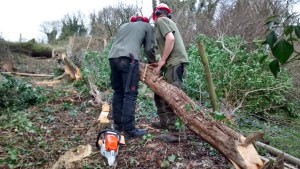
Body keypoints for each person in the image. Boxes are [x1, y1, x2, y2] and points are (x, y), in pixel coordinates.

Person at [108, 14, 156, 139]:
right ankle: (129, 130)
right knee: (130, 93)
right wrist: (152, 62)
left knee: (118, 92)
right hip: (129, 59)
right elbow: (150, 48)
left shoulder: (123, 26)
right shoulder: (147, 26)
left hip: (113, 57)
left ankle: (118, 126)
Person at [150, 3, 189, 142]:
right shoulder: (168, 21)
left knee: (172, 97)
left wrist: (162, 61)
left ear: (157, 14)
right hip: (172, 63)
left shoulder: (161, 20)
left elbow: (170, 39)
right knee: (159, 94)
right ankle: (165, 122)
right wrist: (161, 61)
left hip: (174, 62)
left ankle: (178, 134)